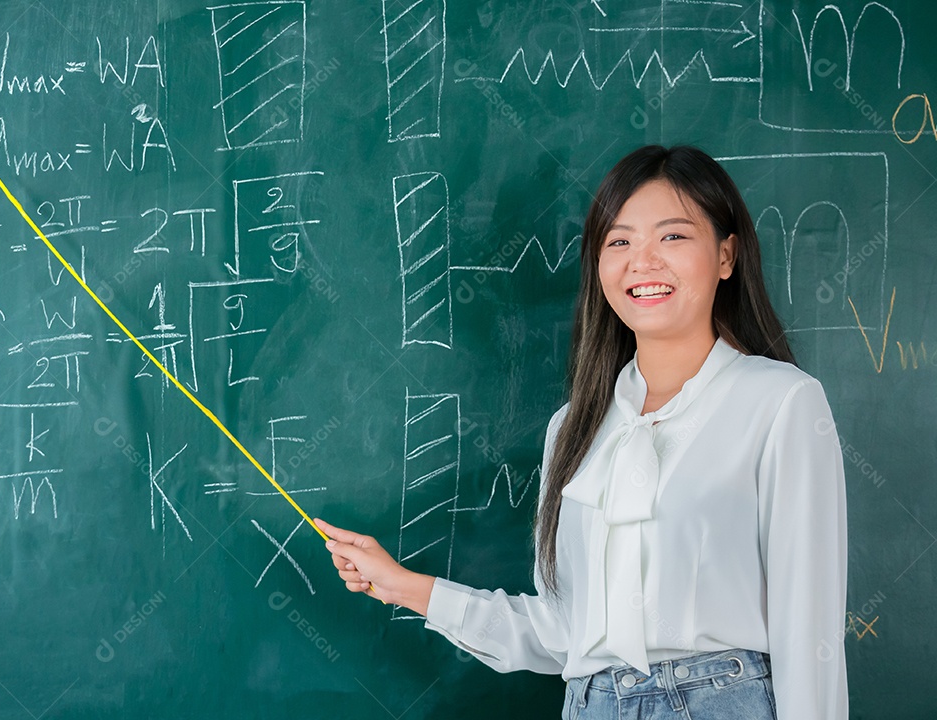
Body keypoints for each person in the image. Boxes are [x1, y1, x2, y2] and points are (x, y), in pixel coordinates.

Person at [315, 144, 849, 719]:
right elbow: (564, 631)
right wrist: (402, 586)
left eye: (672, 236)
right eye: (619, 242)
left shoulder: (780, 401)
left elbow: (808, 631)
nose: (642, 262)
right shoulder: (574, 427)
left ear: (726, 255)